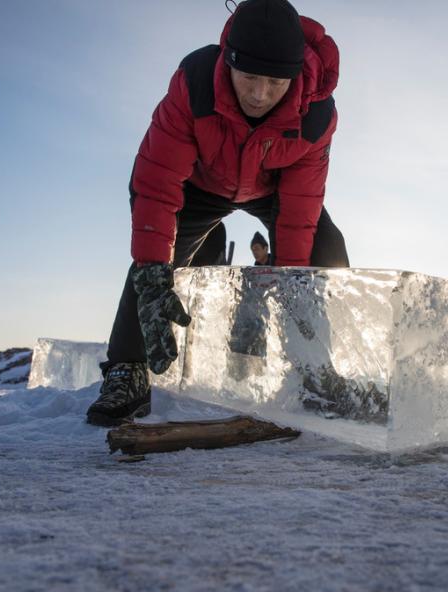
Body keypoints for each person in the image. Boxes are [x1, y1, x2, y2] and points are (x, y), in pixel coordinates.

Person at [86, 0, 349, 426]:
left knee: (324, 243)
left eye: (275, 81)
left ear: (296, 75)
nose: (260, 94)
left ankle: (315, 367)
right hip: (200, 185)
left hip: (272, 187)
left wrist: (294, 289)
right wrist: (154, 269)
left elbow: (301, 206)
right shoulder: (195, 84)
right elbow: (157, 181)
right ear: (228, 64)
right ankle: (127, 369)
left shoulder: (316, 113)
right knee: (155, 267)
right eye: (248, 77)